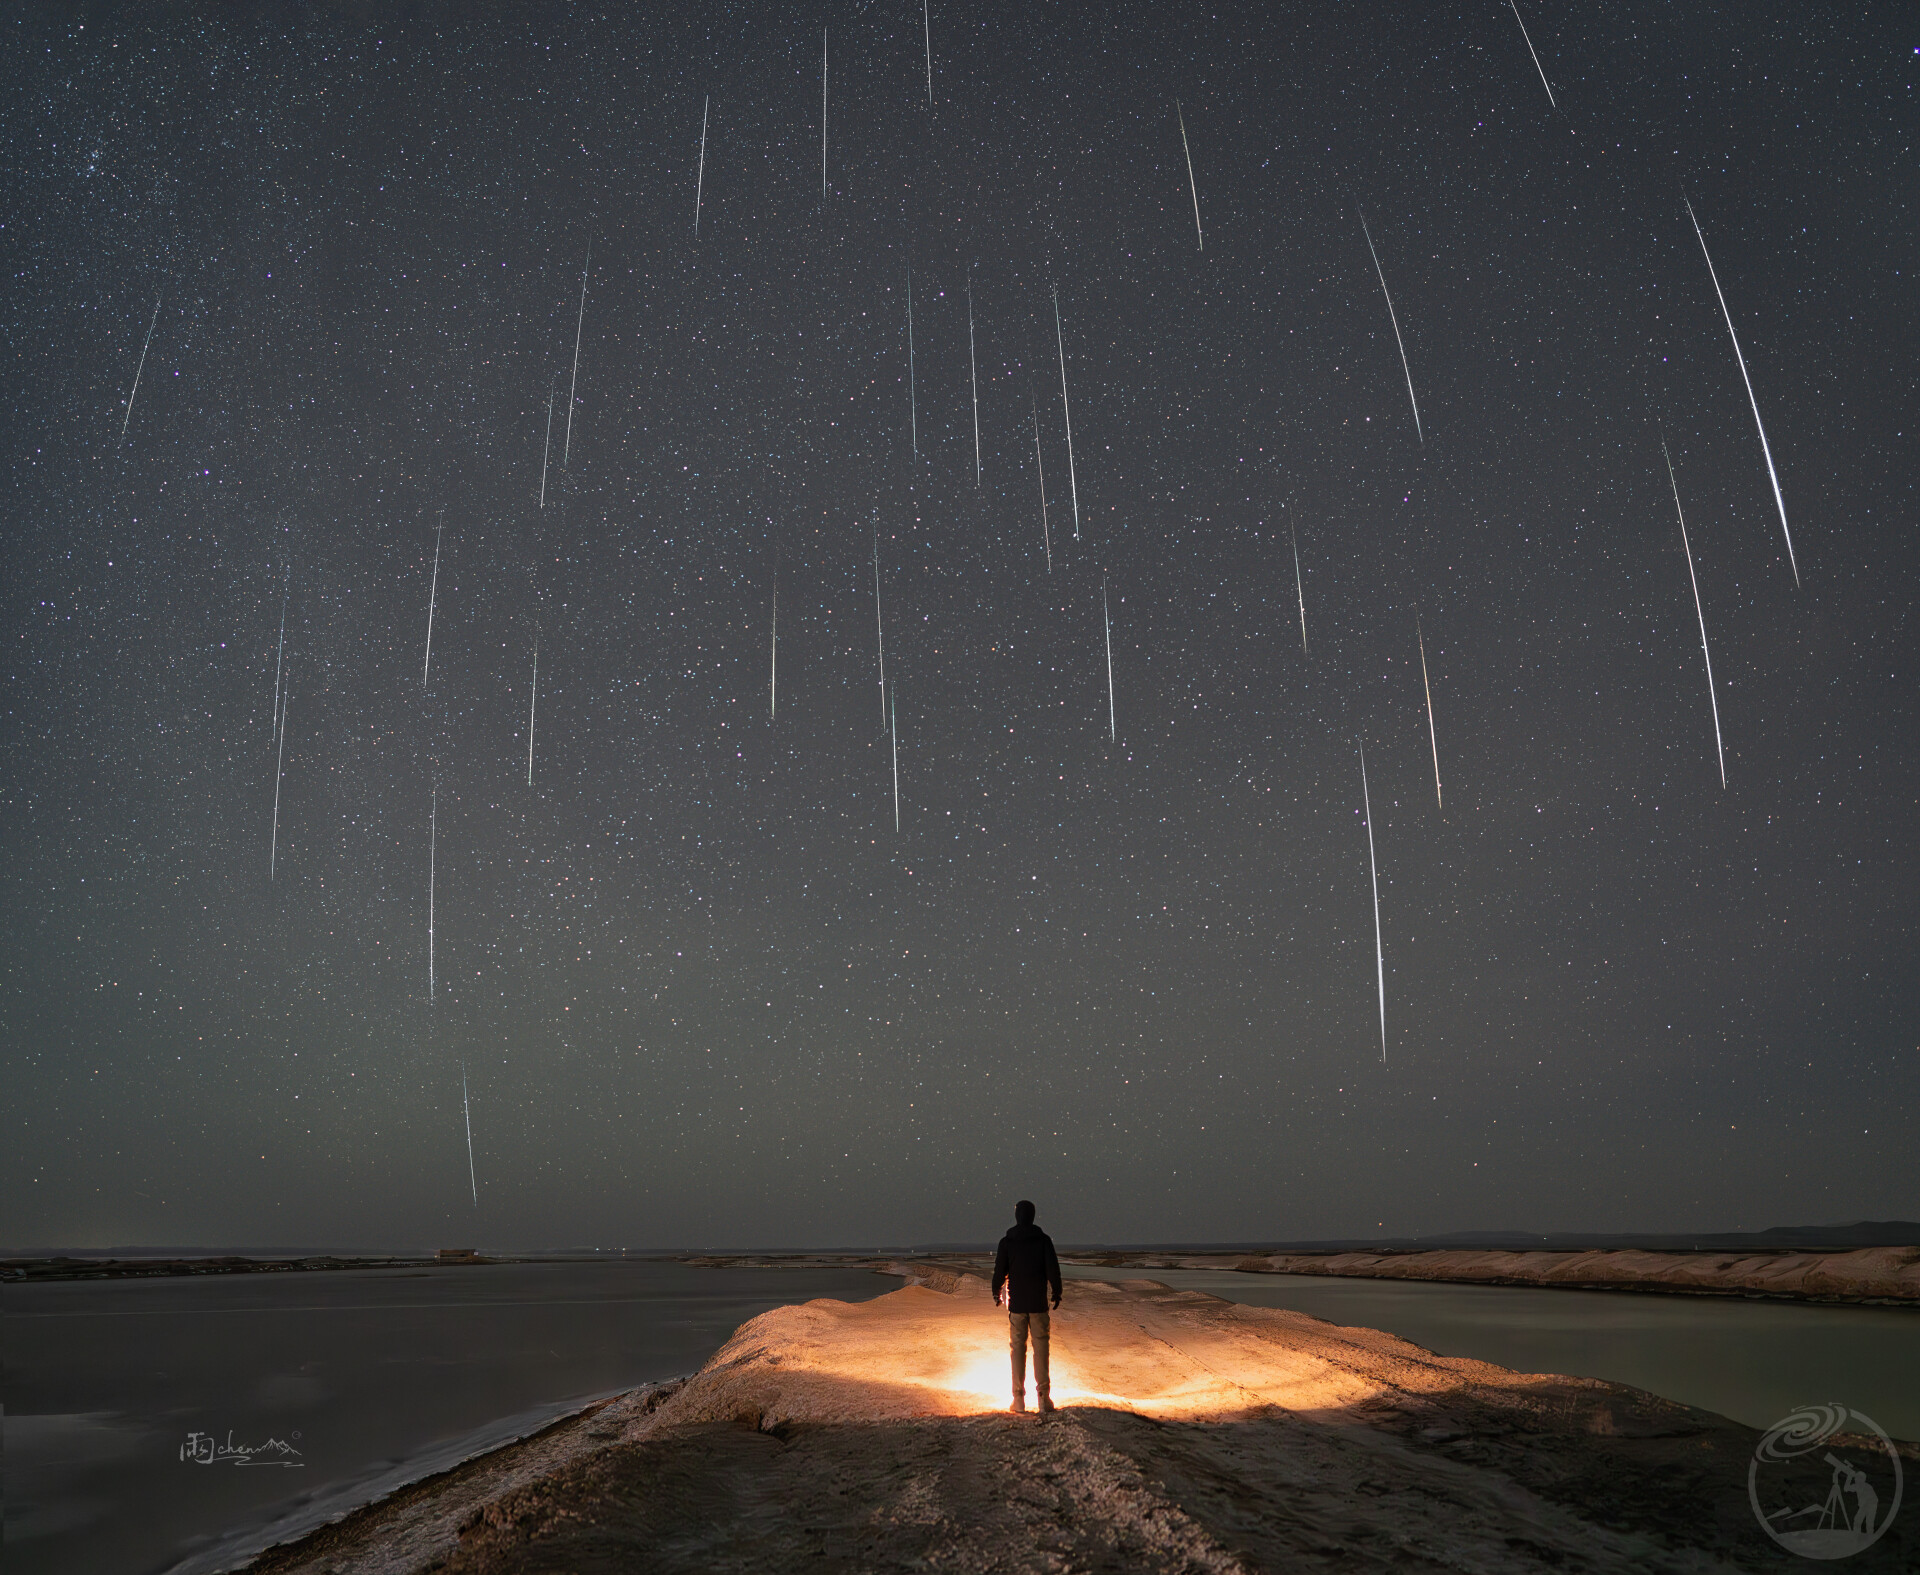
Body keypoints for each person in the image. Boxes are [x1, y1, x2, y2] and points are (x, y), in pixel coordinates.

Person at [991, 1199, 1062, 1414]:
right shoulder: (1043, 1241)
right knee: (1041, 1348)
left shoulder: (1007, 1242)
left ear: (1017, 1216)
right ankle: (1043, 1397)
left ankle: (1018, 1398)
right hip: (1038, 1303)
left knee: (1018, 1349)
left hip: (1018, 1305)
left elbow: (999, 1270)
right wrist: (1057, 1292)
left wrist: (996, 1291)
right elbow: (1053, 1269)